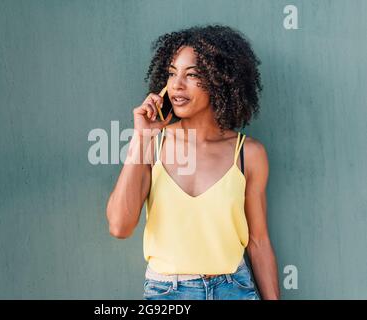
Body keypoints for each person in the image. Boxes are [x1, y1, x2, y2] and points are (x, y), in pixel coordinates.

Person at [106, 24, 280, 300]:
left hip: (234, 289)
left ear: (219, 80)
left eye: (192, 75)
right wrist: (141, 138)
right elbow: (119, 226)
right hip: (168, 293)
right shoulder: (154, 144)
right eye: (172, 73)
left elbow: (259, 242)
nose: (176, 85)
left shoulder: (249, 154)